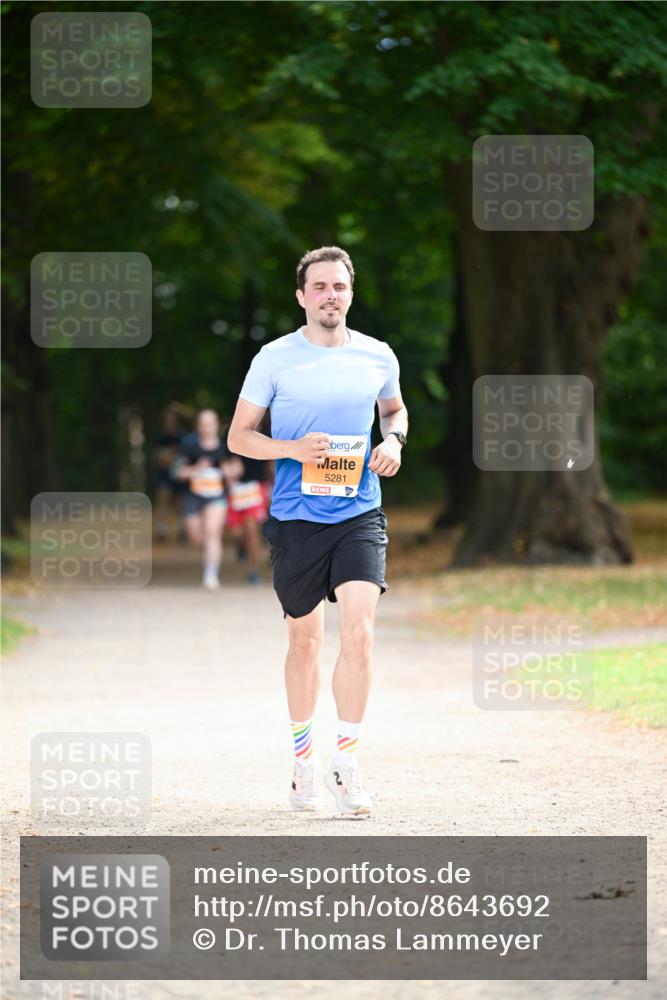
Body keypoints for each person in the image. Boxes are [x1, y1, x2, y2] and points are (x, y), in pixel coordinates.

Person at [227, 246, 408, 818]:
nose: (331, 295)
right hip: (297, 518)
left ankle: (347, 765)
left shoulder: (378, 356)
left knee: (359, 634)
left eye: (340, 287)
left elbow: (395, 411)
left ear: (351, 294)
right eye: (320, 287)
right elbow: (238, 437)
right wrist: (290, 450)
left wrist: (393, 442)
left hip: (359, 511)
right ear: (302, 296)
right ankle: (303, 764)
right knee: (305, 642)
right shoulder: (275, 359)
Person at [174, 409, 242, 590]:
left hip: (217, 496)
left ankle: (211, 575)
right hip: (193, 496)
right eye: (203, 424)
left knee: (213, 532)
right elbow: (177, 472)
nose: (207, 428)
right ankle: (209, 550)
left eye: (210, 424)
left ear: (216, 425)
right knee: (195, 536)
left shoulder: (225, 447)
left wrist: (229, 471)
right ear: (198, 426)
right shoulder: (189, 446)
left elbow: (238, 468)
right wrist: (195, 469)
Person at [222, 417, 273, 585]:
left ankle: (252, 569)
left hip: (257, 487)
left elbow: (271, 462)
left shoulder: (268, 433)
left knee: (252, 529)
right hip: (236, 489)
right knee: (236, 533)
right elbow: (224, 458)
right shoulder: (232, 432)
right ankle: (242, 547)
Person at [152, 405, 186, 542]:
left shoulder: (181, 435)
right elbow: (158, 456)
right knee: (163, 499)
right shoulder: (160, 435)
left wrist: (169, 457)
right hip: (163, 473)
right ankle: (161, 528)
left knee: (178, 501)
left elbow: (183, 455)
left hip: (177, 473)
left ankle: (180, 529)